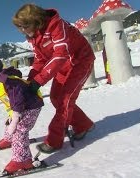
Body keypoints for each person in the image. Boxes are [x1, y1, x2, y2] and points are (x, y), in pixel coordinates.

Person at [12, 3, 95, 154]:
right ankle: (83, 125)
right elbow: (40, 61)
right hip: (64, 66)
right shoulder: (35, 37)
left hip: (81, 61)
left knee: (65, 100)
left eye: (25, 26)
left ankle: (54, 141)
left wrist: (39, 81)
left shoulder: (57, 25)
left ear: (36, 20)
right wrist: (30, 81)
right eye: (20, 27)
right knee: (56, 97)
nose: (22, 30)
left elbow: (60, 54)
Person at [0, 55, 44, 174]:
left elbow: (17, 99)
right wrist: (11, 116)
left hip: (31, 107)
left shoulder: (9, 81)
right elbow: (9, 103)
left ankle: (22, 160)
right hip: (22, 108)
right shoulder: (1, 83)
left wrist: (16, 117)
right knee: (10, 124)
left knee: (19, 129)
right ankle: (9, 139)